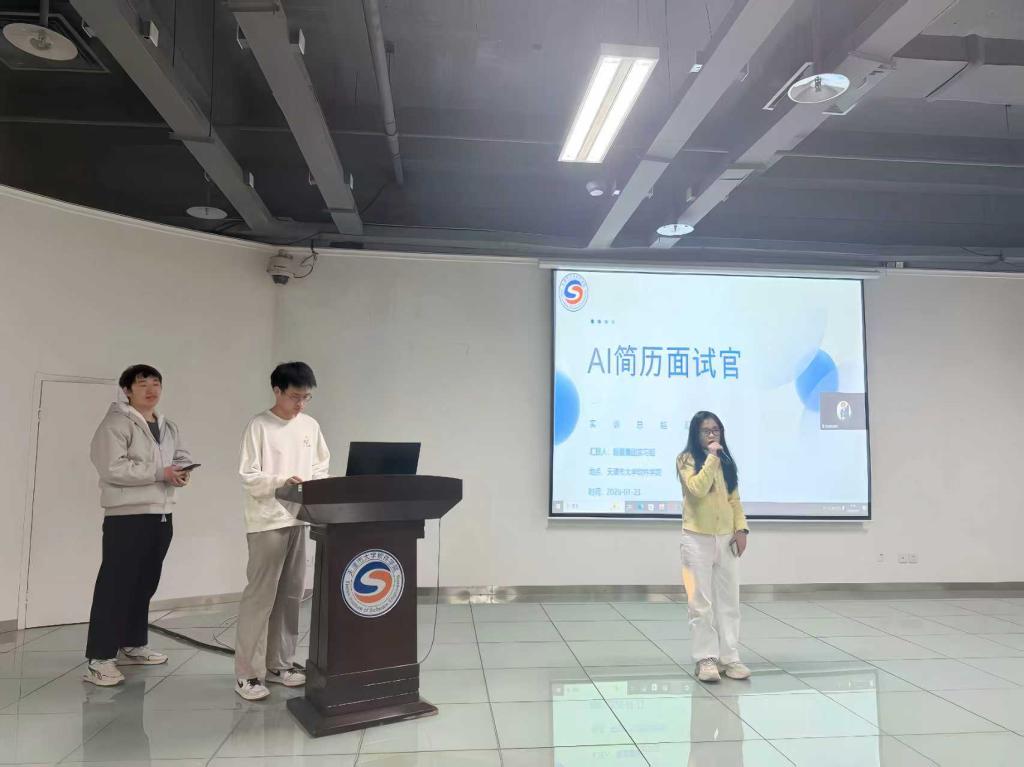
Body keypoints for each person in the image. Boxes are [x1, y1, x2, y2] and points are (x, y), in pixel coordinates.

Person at [84, 364, 195, 686]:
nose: (151, 390)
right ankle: (99, 659)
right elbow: (112, 468)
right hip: (126, 516)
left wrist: (182, 472)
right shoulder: (115, 423)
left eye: (156, 383)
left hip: (161, 513)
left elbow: (181, 456)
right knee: (115, 585)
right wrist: (161, 473)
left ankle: (132, 642)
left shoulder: (168, 426)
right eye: (143, 384)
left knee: (145, 583)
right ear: (127, 390)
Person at [234, 362, 331, 701]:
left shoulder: (310, 426)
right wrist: (282, 482)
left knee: (291, 595)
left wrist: (314, 485)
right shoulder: (259, 426)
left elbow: (320, 466)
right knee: (261, 597)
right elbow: (249, 475)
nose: (300, 404)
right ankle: (247, 674)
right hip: (267, 522)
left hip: (299, 519)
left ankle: (279, 664)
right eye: (294, 397)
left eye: (306, 398)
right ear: (277, 391)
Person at [676, 410, 751, 684]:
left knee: (729, 601)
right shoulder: (686, 460)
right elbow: (697, 489)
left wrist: (741, 529)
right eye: (706, 431)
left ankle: (729, 657)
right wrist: (711, 458)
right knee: (700, 602)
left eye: (716, 430)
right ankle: (705, 658)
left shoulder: (726, 461)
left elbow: (734, 500)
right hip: (696, 539)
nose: (712, 434)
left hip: (726, 538)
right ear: (696, 434)